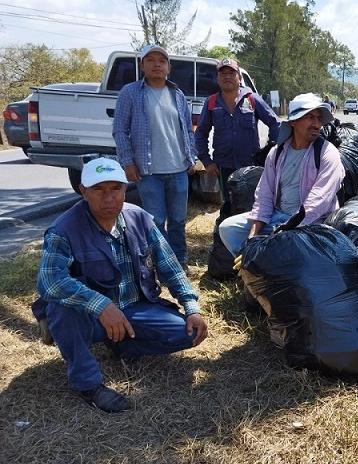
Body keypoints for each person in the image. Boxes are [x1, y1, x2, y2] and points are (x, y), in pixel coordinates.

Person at [32, 158, 209, 413]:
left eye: (116, 188)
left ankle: (122, 343)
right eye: (98, 189)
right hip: (90, 315)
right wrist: (102, 306)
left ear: (125, 189)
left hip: (134, 306)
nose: (109, 198)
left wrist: (191, 306)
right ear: (83, 191)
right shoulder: (64, 229)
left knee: (188, 333)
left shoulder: (140, 218)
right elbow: (49, 282)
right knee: (60, 307)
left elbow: (170, 267)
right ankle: (87, 384)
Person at [218, 93, 345, 254]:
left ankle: (266, 259)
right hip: (278, 217)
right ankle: (253, 263)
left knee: (288, 250)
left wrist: (284, 231)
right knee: (228, 229)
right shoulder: (276, 153)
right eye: (310, 117)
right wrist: (253, 237)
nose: (316, 124)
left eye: (319, 119)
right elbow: (264, 195)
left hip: (312, 224)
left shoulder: (327, 153)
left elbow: (319, 201)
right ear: (293, 121)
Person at [113, 45, 196, 268]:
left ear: (169, 67)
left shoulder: (177, 94)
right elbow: (120, 130)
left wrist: (191, 156)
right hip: (148, 172)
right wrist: (127, 162)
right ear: (142, 66)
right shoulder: (130, 93)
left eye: (162, 60)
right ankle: (162, 264)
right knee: (155, 221)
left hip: (179, 169)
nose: (156, 64)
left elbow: (188, 130)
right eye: (150, 60)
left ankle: (180, 261)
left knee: (178, 220)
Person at [195, 58, 280, 221]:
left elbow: (275, 123)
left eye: (231, 73)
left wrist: (270, 153)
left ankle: (251, 235)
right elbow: (200, 134)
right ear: (218, 79)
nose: (227, 76)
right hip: (223, 167)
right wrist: (206, 161)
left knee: (252, 205)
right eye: (223, 73)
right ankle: (228, 233)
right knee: (229, 204)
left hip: (250, 165)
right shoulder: (211, 102)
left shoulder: (252, 99)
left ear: (239, 77)